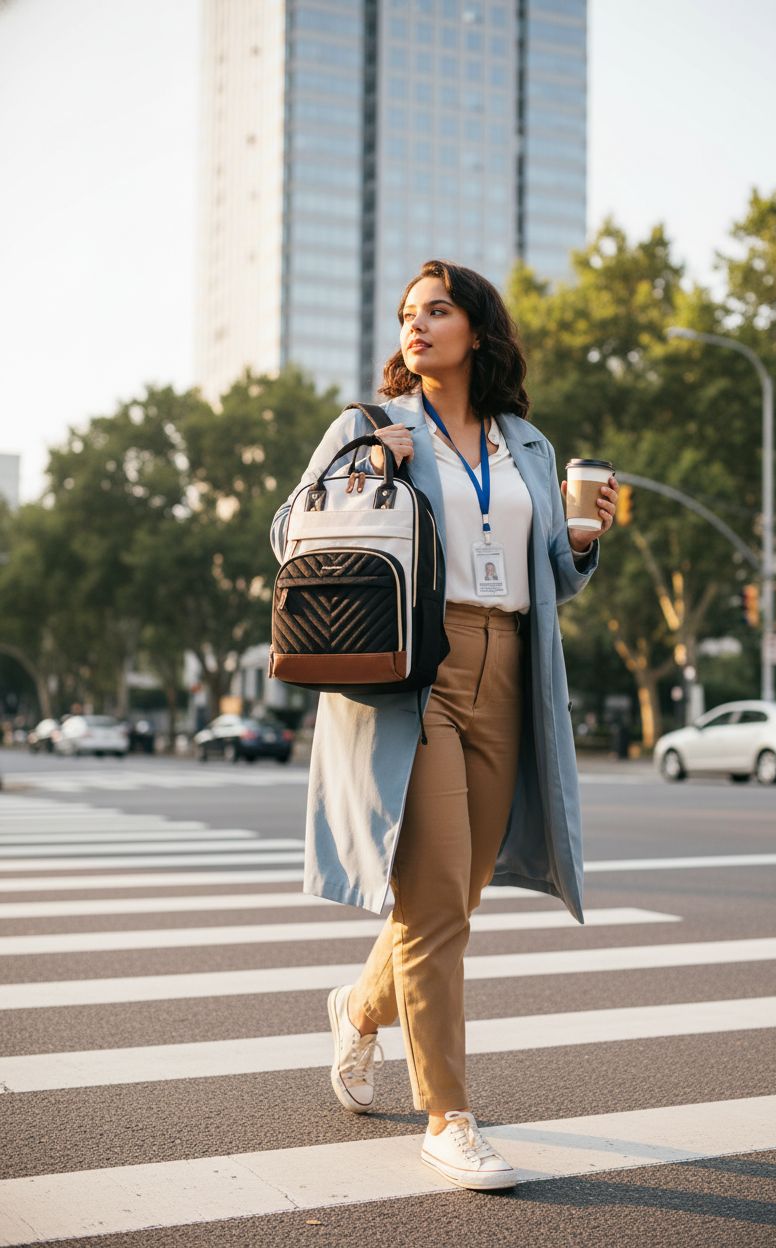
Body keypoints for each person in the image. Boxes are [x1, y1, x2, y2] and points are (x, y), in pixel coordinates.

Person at [270, 259, 617, 1192]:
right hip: (412, 673)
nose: (415, 327)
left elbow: (548, 568)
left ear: (477, 329)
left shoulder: (527, 446)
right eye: (405, 316)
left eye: (436, 311)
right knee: (431, 908)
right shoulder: (368, 427)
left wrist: (582, 542)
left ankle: (357, 1002)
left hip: (510, 665)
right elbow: (288, 535)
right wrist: (367, 470)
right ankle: (449, 1116)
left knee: (456, 897)